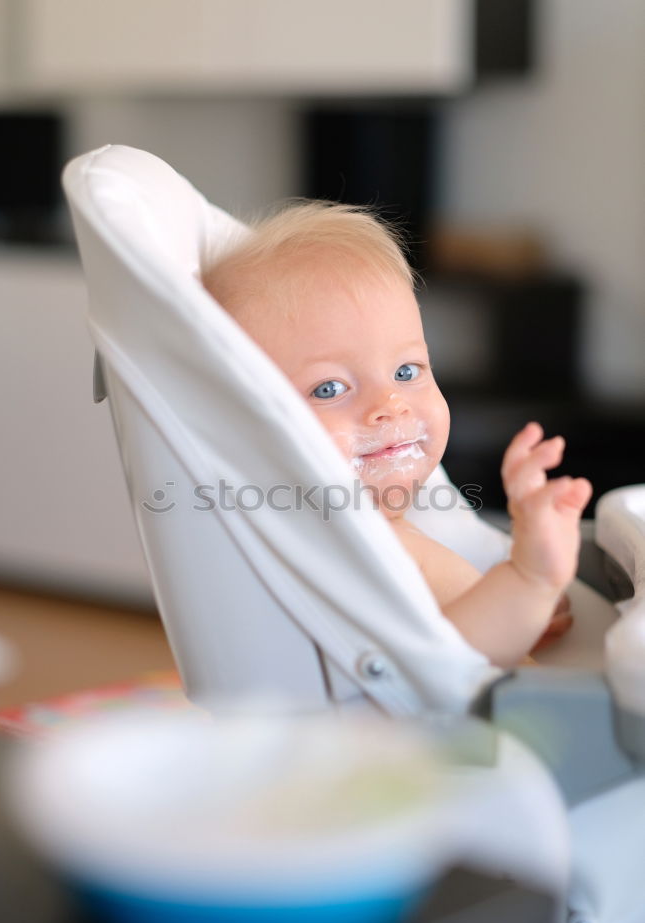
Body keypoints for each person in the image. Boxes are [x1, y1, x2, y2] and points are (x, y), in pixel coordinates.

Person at [203, 202, 592, 668]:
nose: (391, 405)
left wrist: (525, 599)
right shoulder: (356, 543)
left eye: (407, 371)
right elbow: (460, 665)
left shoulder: (396, 521)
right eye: (330, 388)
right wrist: (531, 579)